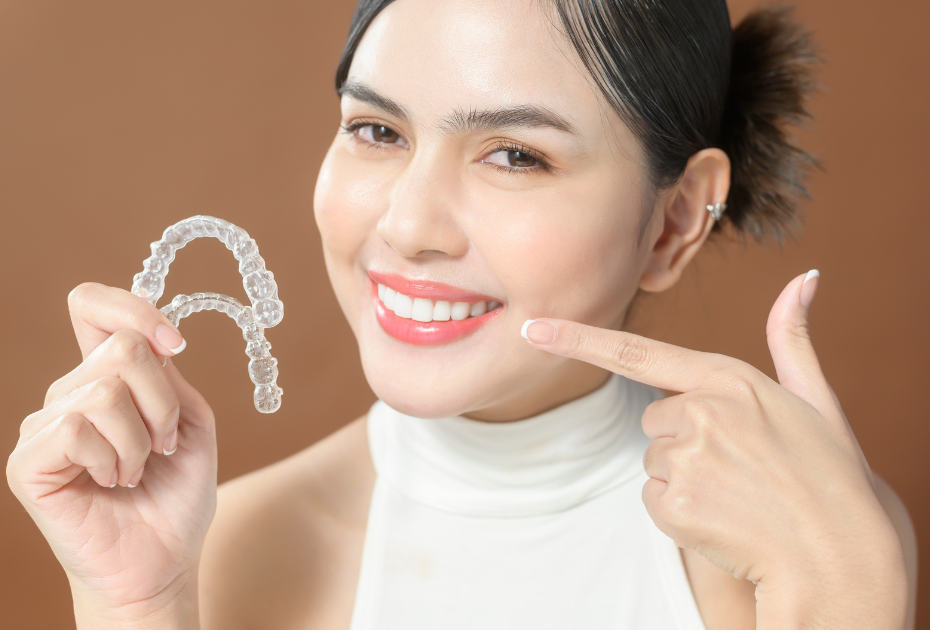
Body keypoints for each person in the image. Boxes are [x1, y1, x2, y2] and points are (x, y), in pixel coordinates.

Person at [7, 0, 918, 628]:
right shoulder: (216, 551)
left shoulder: (808, 545)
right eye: (377, 131)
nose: (406, 226)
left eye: (516, 155)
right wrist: (135, 610)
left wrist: (848, 596)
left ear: (675, 218)